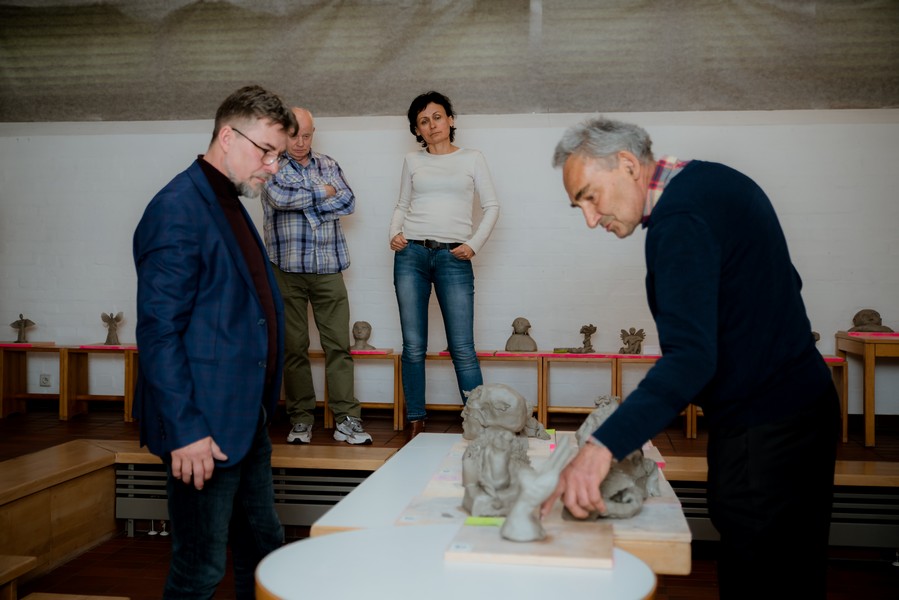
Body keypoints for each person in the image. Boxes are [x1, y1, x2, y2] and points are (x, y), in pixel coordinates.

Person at [542, 117, 839, 599]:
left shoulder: (679, 220)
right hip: (806, 410)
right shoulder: (713, 181)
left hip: (765, 431)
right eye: (580, 206)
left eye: (590, 197)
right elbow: (785, 282)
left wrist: (600, 449)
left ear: (627, 164)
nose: (591, 219)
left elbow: (690, 360)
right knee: (796, 574)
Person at [133, 85, 296, 599]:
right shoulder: (178, 207)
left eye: (278, 155)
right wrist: (186, 432)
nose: (273, 167)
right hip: (202, 428)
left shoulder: (228, 199)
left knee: (264, 549)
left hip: (244, 418)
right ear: (228, 137)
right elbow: (158, 331)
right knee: (200, 569)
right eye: (266, 151)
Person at [389, 91, 500, 439]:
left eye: (437, 117)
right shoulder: (412, 161)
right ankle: (416, 421)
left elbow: (492, 206)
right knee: (413, 346)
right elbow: (402, 205)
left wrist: (473, 245)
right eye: (423, 121)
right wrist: (394, 233)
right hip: (411, 255)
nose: (432, 125)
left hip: (454, 257)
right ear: (417, 130)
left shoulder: (472, 158)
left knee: (462, 348)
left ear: (450, 120)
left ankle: (479, 424)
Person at [262, 107, 371, 445]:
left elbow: (349, 202)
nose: (301, 142)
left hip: (328, 268)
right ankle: (301, 419)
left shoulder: (329, 164)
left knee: (338, 346)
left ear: (313, 133)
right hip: (286, 270)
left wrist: (307, 202)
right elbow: (280, 198)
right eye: (294, 135)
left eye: (306, 135)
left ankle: (346, 419)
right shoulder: (270, 164)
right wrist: (324, 193)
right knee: (294, 348)